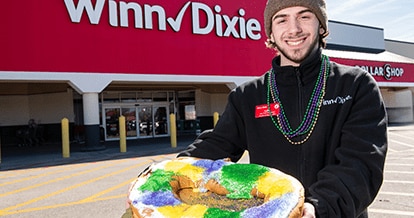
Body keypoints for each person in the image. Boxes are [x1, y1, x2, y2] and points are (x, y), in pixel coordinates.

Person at [178, 0, 388, 217]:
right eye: (282, 19)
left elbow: (361, 164)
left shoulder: (355, 85)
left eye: (304, 16)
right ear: (270, 32)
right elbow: (215, 145)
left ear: (322, 26)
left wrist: (318, 207)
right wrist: (167, 173)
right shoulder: (248, 96)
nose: (294, 29)